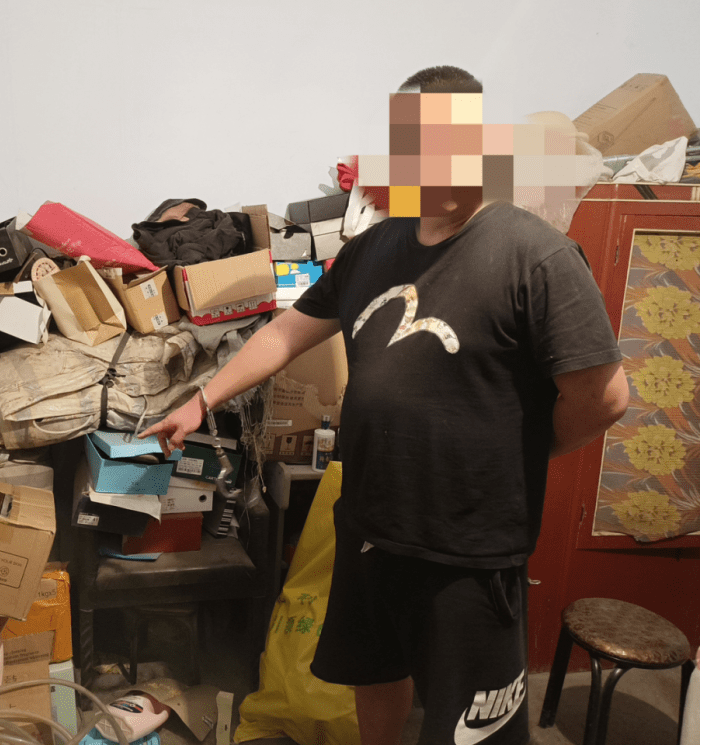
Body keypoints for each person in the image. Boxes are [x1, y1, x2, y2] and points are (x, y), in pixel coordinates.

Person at [140, 65, 629, 745]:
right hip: (371, 523)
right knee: (374, 675)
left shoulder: (535, 254)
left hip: (469, 546)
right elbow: (286, 332)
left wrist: (522, 448)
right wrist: (202, 399)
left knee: (473, 728)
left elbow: (604, 397)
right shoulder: (373, 247)